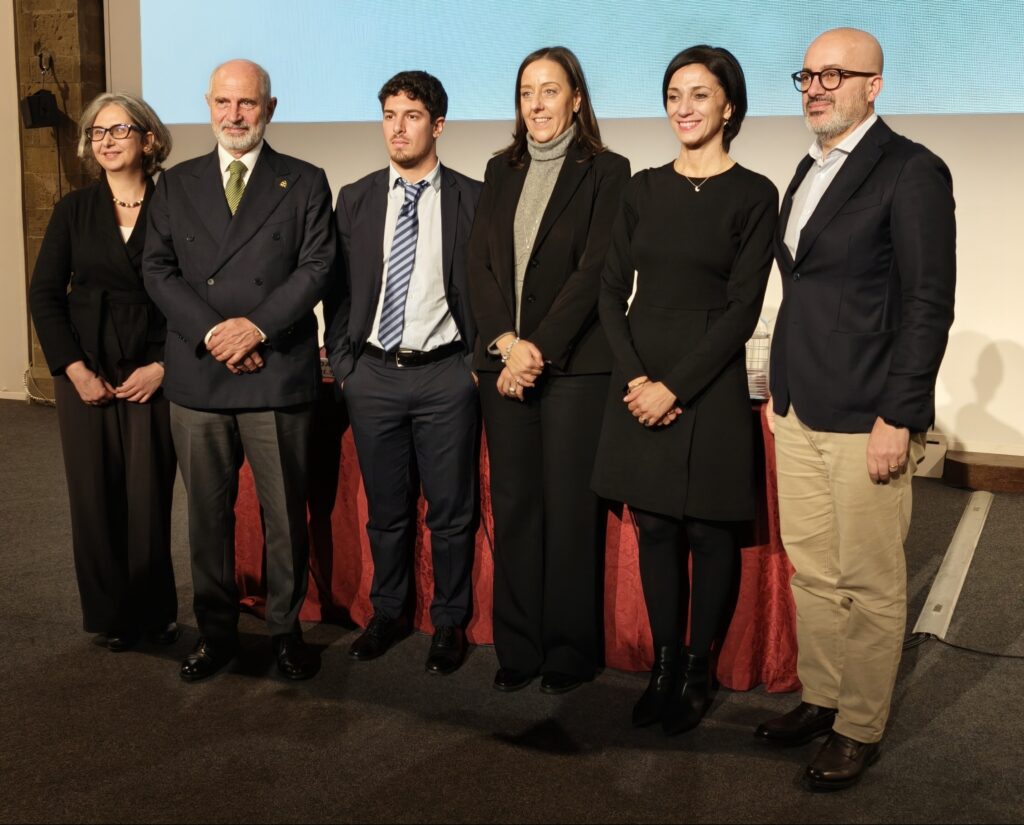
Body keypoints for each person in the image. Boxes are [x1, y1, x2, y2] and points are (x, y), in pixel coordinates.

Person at [754, 28, 956, 791]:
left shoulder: (911, 169)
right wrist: (776, 387)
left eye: (835, 75)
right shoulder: (808, 167)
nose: (816, 87)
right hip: (798, 404)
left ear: (875, 85)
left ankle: (859, 725)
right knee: (811, 569)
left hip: (867, 413)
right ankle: (824, 695)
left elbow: (928, 303)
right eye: (808, 74)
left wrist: (899, 415)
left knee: (868, 581)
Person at [592, 46, 777, 734]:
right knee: (657, 528)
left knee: (707, 528)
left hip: (708, 378)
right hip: (639, 373)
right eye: (674, 95)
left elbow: (743, 308)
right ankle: (664, 666)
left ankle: (697, 670)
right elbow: (611, 292)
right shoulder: (641, 188)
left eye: (699, 94)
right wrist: (639, 378)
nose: (684, 108)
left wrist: (673, 387)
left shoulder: (755, 193)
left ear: (729, 105)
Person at [144, 59, 336, 683]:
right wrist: (214, 334)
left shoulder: (305, 180)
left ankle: (285, 631)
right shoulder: (176, 184)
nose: (234, 115)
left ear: (269, 108)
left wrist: (254, 328)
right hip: (200, 374)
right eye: (224, 102)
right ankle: (216, 633)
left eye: (247, 103)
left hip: (275, 371)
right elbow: (158, 271)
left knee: (285, 517)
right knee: (207, 518)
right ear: (208, 105)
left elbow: (316, 268)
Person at [468, 46, 630, 694]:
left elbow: (595, 273)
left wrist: (535, 349)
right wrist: (506, 344)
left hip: (573, 371)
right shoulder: (498, 169)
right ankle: (519, 644)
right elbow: (479, 265)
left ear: (577, 98)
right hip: (502, 365)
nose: (536, 104)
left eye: (550, 90)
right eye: (526, 92)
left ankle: (567, 649)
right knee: (514, 507)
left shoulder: (608, 171)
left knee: (569, 513)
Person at [323, 71, 481, 675]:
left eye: (411, 116)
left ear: (437, 125)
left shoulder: (472, 197)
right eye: (389, 115)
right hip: (374, 375)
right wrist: (346, 366)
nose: (397, 127)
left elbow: (488, 290)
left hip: (446, 375)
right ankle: (387, 612)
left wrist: (472, 369)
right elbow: (337, 292)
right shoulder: (356, 197)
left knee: (450, 512)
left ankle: (449, 621)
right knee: (386, 510)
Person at [29, 92, 179, 652]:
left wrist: (164, 367)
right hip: (85, 365)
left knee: (148, 498)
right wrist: (73, 369)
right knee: (93, 498)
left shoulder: (177, 206)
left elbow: (194, 294)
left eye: (119, 130)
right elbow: (45, 295)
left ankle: (153, 613)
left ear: (149, 138)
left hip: (153, 367)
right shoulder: (73, 209)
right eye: (97, 132)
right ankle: (111, 615)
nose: (106, 140)